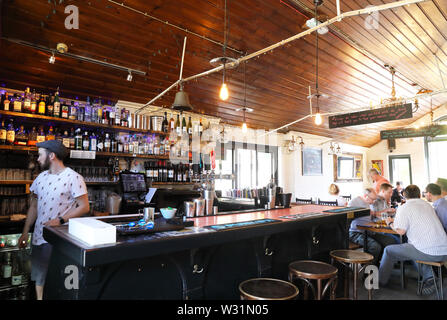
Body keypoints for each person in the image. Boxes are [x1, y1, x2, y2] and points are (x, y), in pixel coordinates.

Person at [18, 140, 89, 300]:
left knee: (66, 284)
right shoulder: (40, 178)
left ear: (51, 156)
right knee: (39, 283)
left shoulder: (73, 177)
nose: (37, 159)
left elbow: (84, 206)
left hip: (63, 242)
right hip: (38, 239)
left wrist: (61, 219)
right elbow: (34, 207)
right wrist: (25, 233)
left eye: (40, 155)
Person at [379, 185, 447, 295]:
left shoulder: (404, 207)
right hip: (444, 249)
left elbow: (401, 231)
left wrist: (390, 222)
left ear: (404, 196)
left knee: (388, 250)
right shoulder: (428, 205)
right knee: (413, 246)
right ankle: (430, 278)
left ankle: (380, 282)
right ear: (420, 195)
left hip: (429, 252)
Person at [348, 188, 398, 265]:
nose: (373, 202)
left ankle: (378, 263)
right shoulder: (355, 202)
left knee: (390, 241)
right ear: (365, 196)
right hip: (355, 232)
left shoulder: (369, 203)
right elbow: (348, 217)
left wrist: (386, 214)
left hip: (369, 231)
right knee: (375, 246)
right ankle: (369, 268)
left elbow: (373, 215)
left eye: (375, 200)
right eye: (372, 199)